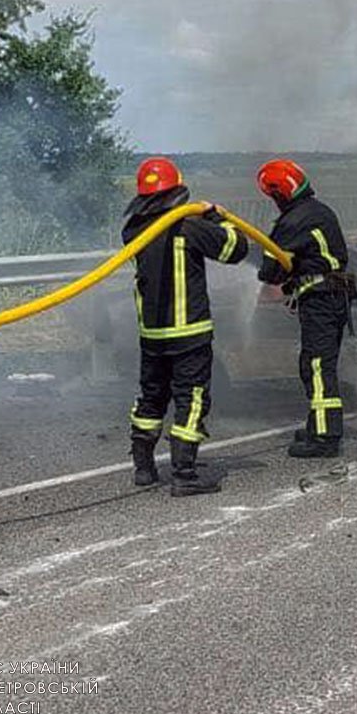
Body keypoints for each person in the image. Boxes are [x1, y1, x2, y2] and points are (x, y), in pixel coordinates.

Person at [123, 157, 248, 496]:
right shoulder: (188, 227)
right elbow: (236, 249)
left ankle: (144, 469)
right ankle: (184, 474)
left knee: (151, 398)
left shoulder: (133, 229)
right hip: (189, 333)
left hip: (152, 335)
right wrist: (217, 218)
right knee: (190, 400)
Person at [256, 159, 354, 458]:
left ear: (280, 193)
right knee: (316, 363)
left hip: (321, 300)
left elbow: (271, 270)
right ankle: (318, 425)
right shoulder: (318, 211)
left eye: (272, 196)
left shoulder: (294, 221)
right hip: (333, 297)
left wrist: (277, 274)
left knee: (317, 366)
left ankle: (325, 438)